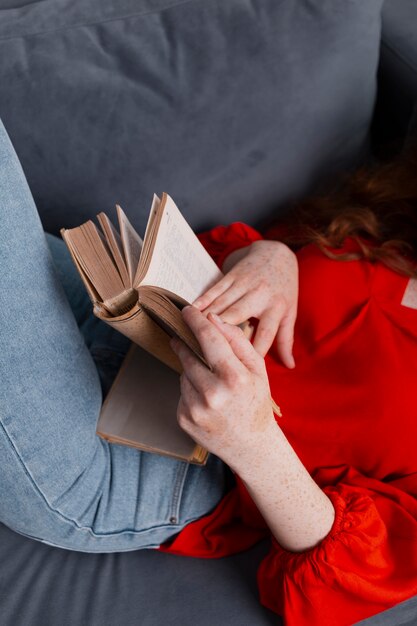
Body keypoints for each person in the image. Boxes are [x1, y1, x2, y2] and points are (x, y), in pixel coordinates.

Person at [1, 114, 417, 626]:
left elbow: (352, 581)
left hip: (155, 462)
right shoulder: (396, 245)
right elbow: (233, 268)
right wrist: (271, 256)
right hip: (125, 314)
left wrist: (257, 443)